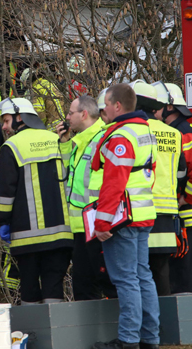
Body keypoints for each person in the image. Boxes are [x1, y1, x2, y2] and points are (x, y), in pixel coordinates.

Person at [91, 84, 160, 349]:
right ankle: (149, 338)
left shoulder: (121, 137)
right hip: (142, 214)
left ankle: (128, 340)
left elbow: (113, 184)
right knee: (142, 276)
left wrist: (102, 222)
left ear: (116, 105)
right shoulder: (144, 130)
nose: (102, 111)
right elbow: (148, 174)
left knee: (126, 279)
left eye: (105, 105)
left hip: (122, 219)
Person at [0, 98, 73, 305]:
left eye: (6, 120)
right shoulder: (57, 139)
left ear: (20, 117)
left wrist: (3, 221)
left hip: (25, 236)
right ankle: (55, 333)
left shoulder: (11, 146)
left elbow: (5, 192)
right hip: (61, 233)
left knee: (28, 286)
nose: (4, 127)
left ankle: (34, 334)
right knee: (54, 285)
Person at [153, 82, 192, 294]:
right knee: (183, 272)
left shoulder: (183, 131)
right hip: (188, 211)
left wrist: (187, 198)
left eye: (156, 106)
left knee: (185, 274)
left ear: (169, 107)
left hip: (191, 210)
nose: (152, 111)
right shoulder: (177, 130)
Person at [57, 96, 115, 300]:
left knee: (106, 285)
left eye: (70, 113)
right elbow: (69, 175)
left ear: (83, 114)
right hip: (82, 227)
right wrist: (64, 145)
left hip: (98, 226)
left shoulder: (102, 138)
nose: (67, 117)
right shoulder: (80, 140)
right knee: (83, 286)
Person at [131, 81, 183, 296]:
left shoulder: (134, 130)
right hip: (168, 211)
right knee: (161, 271)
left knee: (136, 273)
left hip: (140, 210)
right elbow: (181, 172)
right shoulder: (174, 133)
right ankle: (164, 323)